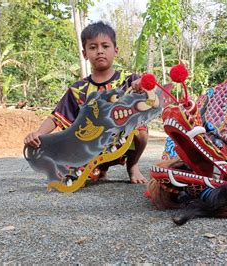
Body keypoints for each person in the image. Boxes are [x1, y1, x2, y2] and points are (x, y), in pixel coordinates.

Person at [24, 21, 148, 184]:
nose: (100, 51)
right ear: (84, 53)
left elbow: (149, 95)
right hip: (91, 147)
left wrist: (142, 86)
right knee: (78, 177)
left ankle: (133, 166)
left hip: (124, 142)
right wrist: (39, 133)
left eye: (105, 46)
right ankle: (100, 169)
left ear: (115, 50)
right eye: (93, 47)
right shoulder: (78, 89)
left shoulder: (128, 80)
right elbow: (56, 117)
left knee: (140, 131)